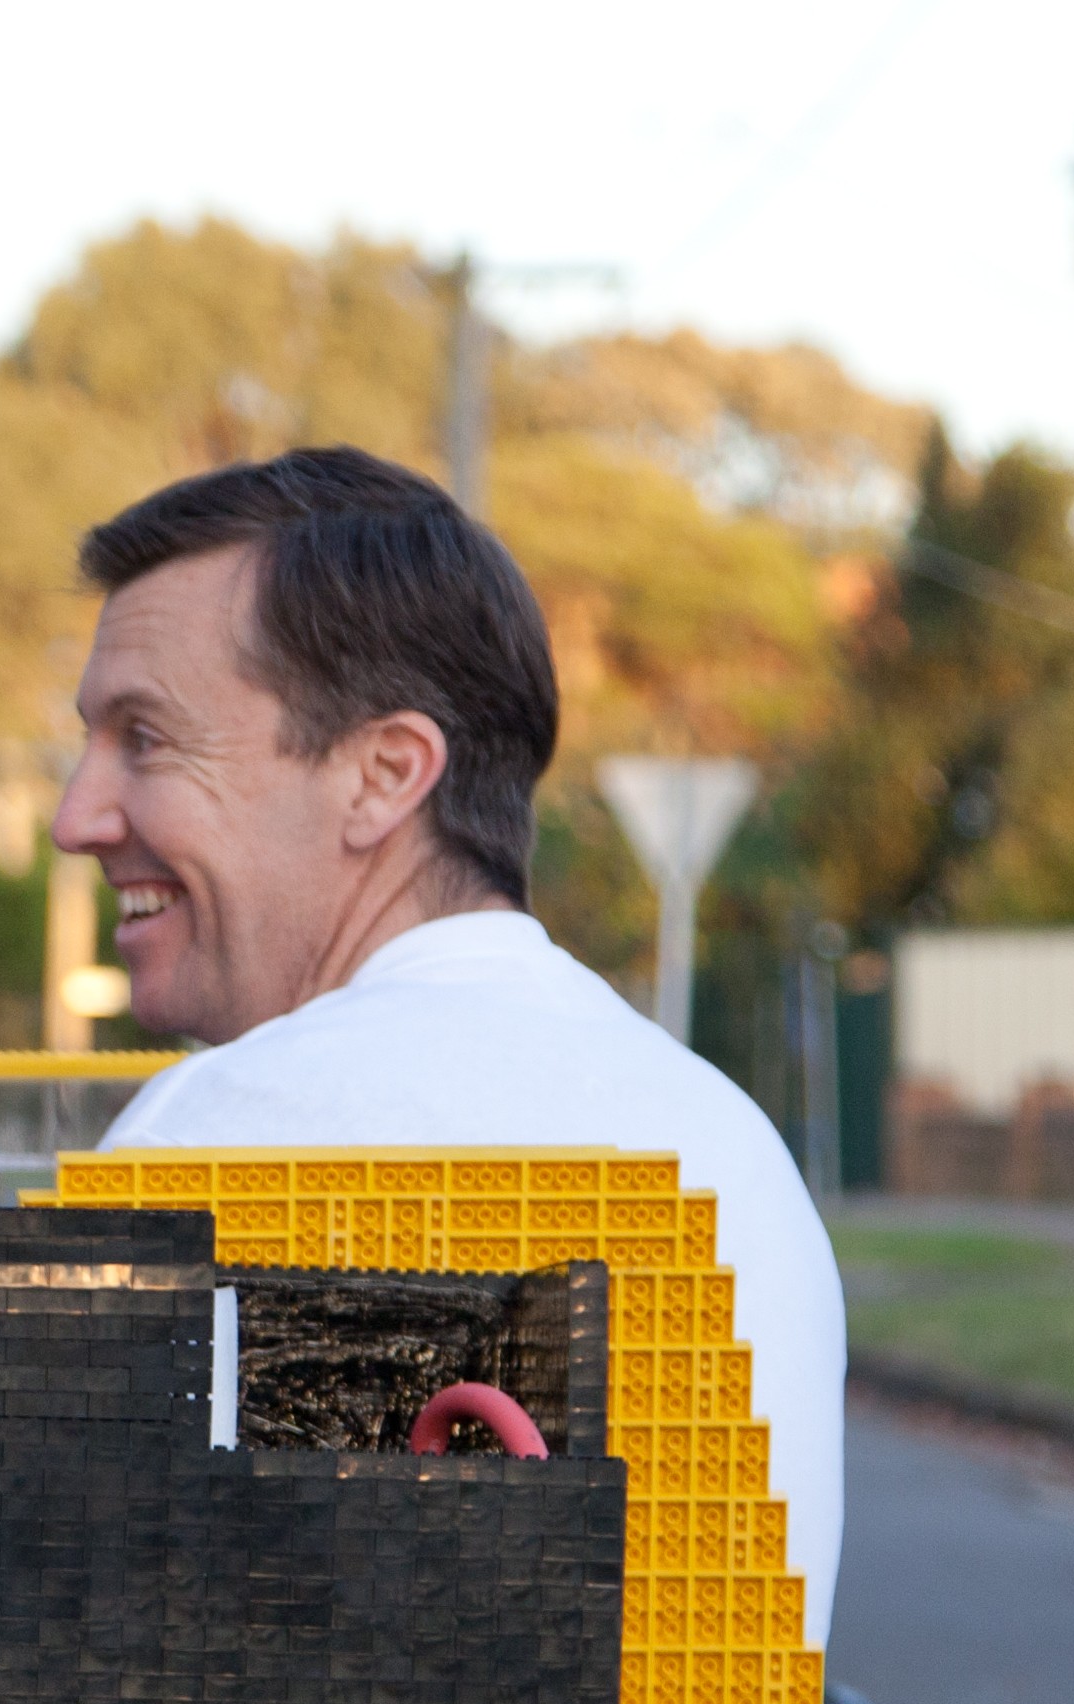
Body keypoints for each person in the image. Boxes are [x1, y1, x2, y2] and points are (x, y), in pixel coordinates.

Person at [57, 448, 848, 1643]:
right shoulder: (732, 1150)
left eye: (146, 739)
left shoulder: (210, 1140)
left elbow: (60, 1651)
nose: (76, 816)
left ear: (383, 775)